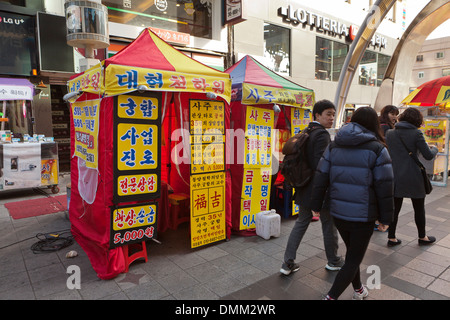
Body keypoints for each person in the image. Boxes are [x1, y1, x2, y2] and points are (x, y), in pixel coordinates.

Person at [310, 107, 394, 300]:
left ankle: (358, 290)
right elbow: (385, 186)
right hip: (363, 215)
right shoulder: (378, 149)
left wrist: (316, 204)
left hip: (338, 212)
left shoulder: (334, 144)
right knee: (354, 259)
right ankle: (330, 297)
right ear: (374, 123)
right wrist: (386, 218)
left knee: (351, 257)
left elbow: (321, 176)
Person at [280, 99, 343, 276]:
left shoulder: (306, 130)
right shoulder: (321, 134)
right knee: (328, 224)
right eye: (328, 114)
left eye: (333, 114)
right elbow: (321, 165)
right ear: (317, 115)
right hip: (318, 189)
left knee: (301, 223)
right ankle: (333, 260)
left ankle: (287, 263)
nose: (331, 118)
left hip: (303, 186)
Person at [385, 107, 438, 247]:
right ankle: (422, 237)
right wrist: (435, 148)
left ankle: (391, 238)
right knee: (419, 207)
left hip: (395, 175)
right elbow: (428, 155)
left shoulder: (390, 133)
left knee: (395, 209)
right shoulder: (416, 134)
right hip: (413, 176)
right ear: (417, 120)